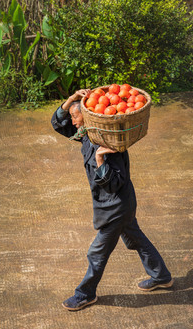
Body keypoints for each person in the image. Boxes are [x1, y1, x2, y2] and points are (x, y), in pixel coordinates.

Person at [51, 89, 173, 311]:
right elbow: (59, 124)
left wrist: (100, 160)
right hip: (117, 204)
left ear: (86, 119)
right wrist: (71, 100)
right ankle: (162, 276)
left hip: (116, 206)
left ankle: (85, 294)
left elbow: (115, 183)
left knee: (96, 252)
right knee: (136, 239)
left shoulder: (109, 146)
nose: (72, 122)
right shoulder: (87, 134)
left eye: (75, 117)